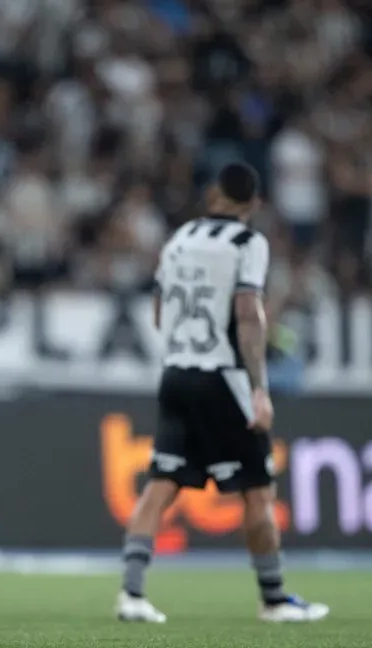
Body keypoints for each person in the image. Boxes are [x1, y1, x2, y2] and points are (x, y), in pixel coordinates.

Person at [116, 162, 329, 624]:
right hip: (222, 378)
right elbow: (249, 313)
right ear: (253, 204)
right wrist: (259, 388)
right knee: (257, 491)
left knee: (160, 485)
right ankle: (273, 600)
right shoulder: (248, 243)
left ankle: (132, 595)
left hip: (175, 373)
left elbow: (157, 310)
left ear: (215, 196)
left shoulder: (179, 238)